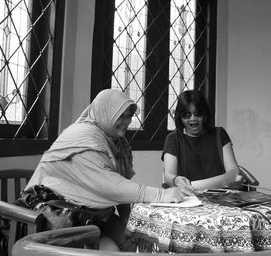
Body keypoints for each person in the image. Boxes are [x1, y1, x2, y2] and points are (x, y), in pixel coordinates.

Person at [18, 89, 190, 251]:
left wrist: (127, 220)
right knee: (113, 249)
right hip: (55, 216)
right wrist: (163, 195)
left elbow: (121, 183)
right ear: (104, 112)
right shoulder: (85, 136)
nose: (126, 122)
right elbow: (109, 185)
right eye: (120, 116)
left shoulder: (117, 142)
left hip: (91, 215)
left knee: (134, 239)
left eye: (129, 116)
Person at [162, 90, 243, 192]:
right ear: (180, 117)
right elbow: (168, 175)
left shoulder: (219, 134)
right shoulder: (173, 139)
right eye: (186, 115)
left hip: (220, 196)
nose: (193, 119)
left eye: (198, 113)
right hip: (188, 197)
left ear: (205, 114)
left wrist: (235, 181)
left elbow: (233, 172)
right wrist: (176, 180)